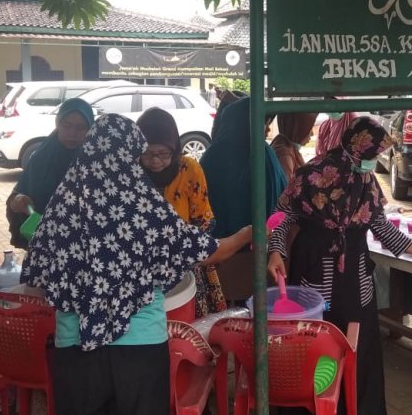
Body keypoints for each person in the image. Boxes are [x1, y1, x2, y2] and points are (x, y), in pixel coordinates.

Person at [21, 114, 254, 415]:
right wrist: (247, 234)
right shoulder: (142, 205)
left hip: (74, 347)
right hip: (139, 345)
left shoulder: (63, 203)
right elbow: (208, 250)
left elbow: (36, 271)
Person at [267, 116, 412, 415]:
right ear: (356, 147)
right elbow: (282, 217)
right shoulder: (312, 174)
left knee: (359, 345)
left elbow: (380, 226)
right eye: (371, 154)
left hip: (355, 274)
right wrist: (277, 251)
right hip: (314, 268)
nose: (373, 162)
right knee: (315, 344)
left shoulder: (366, 180)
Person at [136, 106, 226, 317]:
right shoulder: (131, 172)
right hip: (142, 262)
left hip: (186, 257)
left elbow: (204, 219)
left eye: (163, 153)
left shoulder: (188, 169)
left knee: (186, 317)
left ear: (174, 148)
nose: (156, 161)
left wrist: (179, 248)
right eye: (148, 153)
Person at [200, 96, 287, 302]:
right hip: (260, 253)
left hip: (219, 255)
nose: (266, 130)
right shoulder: (264, 154)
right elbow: (282, 200)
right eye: (263, 123)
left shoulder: (212, 157)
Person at [6, 98, 94, 249]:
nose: (72, 133)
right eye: (66, 125)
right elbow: (16, 197)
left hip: (84, 248)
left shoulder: (96, 162)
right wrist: (18, 200)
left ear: (91, 129)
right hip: (42, 244)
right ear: (57, 124)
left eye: (81, 127)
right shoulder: (41, 158)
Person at [269, 111, 318, 181]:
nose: (312, 134)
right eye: (309, 128)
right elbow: (287, 189)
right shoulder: (285, 155)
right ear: (300, 129)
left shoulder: (285, 145)